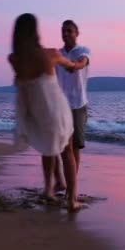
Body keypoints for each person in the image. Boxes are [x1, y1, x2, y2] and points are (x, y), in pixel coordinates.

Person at [9, 13, 82, 211]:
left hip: (35, 113)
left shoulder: (14, 59)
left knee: (47, 148)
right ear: (35, 32)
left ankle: (48, 190)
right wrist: (76, 65)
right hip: (57, 110)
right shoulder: (50, 54)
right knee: (67, 150)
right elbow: (71, 65)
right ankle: (72, 199)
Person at [55, 19, 90, 191]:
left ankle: (71, 185)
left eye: (69, 30)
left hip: (78, 104)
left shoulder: (82, 50)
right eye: (63, 31)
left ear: (76, 33)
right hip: (60, 104)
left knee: (75, 146)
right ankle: (60, 182)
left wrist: (74, 65)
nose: (66, 34)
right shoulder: (58, 53)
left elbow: (83, 63)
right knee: (61, 146)